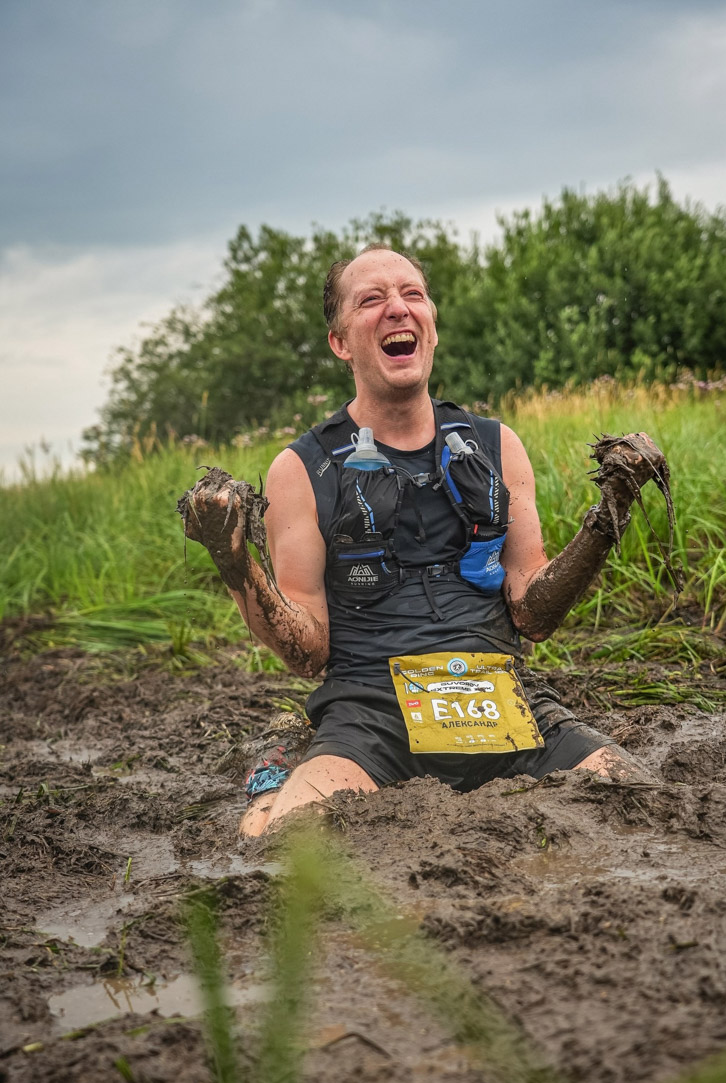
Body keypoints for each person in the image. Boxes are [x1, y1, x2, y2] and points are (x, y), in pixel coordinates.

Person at [181, 246, 666, 838]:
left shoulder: (498, 446)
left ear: (431, 324)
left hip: (502, 699)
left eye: (412, 294)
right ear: (340, 342)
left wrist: (609, 513)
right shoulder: (299, 469)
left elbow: (532, 614)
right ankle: (273, 781)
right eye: (371, 300)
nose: (397, 308)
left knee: (646, 802)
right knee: (288, 838)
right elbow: (306, 653)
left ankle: (284, 765)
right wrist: (235, 562)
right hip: (371, 716)